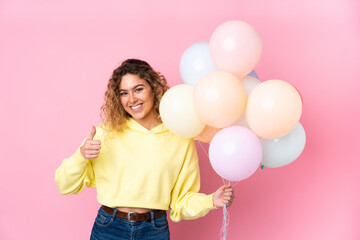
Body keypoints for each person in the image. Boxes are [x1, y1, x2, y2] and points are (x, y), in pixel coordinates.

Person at [55, 59, 235, 240]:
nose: (132, 99)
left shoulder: (179, 137)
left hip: (154, 230)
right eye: (124, 93)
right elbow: (64, 185)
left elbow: (181, 201)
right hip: (110, 228)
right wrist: (81, 156)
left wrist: (211, 200)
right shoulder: (103, 134)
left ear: (154, 89)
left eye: (138, 89)